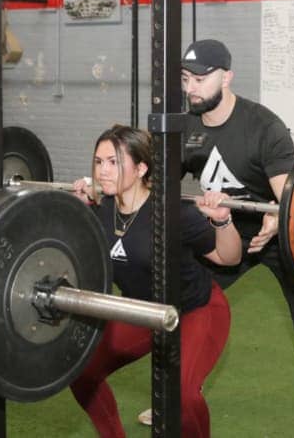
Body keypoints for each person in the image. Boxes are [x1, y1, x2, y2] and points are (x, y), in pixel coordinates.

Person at [176, 39, 294, 438]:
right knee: (184, 303)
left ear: (227, 76)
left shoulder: (264, 127)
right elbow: (156, 185)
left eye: (200, 78)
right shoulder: (184, 128)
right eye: (185, 79)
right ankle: (175, 394)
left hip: (279, 236)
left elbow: (290, 197)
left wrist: (278, 219)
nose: (191, 87)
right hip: (225, 231)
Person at [69, 124, 241, 438]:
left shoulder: (173, 212)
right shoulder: (100, 211)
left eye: (114, 162)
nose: (103, 171)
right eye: (98, 162)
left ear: (141, 168)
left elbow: (228, 258)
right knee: (81, 370)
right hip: (142, 313)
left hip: (194, 311)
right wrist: (78, 210)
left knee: (182, 395)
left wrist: (223, 220)